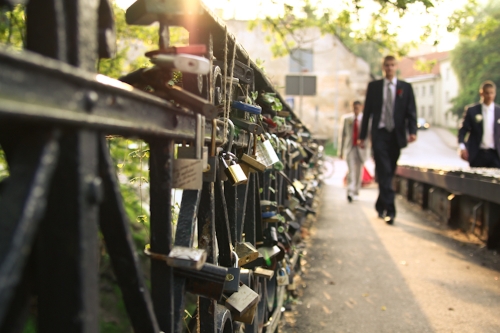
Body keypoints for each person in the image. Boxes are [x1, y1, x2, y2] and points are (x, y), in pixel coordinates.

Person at [358, 55, 417, 225]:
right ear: (383, 67)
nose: (390, 68)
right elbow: (367, 112)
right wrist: (362, 136)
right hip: (380, 134)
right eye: (387, 65)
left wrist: (412, 131)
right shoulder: (374, 87)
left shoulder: (405, 87)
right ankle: (390, 210)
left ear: (396, 67)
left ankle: (380, 204)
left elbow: (411, 111)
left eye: (392, 65)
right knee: (383, 168)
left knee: (388, 172)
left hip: (396, 136)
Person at [458, 80, 500, 168]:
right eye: (487, 93)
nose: (489, 96)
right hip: (478, 154)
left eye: (491, 93)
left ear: (495, 94)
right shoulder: (472, 110)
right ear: (481, 94)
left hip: (495, 155)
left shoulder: (498, 111)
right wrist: (462, 147)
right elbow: (463, 131)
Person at [339, 101, 370, 202]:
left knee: (358, 171)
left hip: (361, 149)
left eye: (357, 108)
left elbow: (369, 136)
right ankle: (350, 191)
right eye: (354, 108)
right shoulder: (347, 119)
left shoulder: (366, 120)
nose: (355, 110)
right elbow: (343, 136)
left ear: (361, 107)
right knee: (351, 170)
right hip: (350, 148)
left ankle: (356, 191)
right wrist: (341, 151)